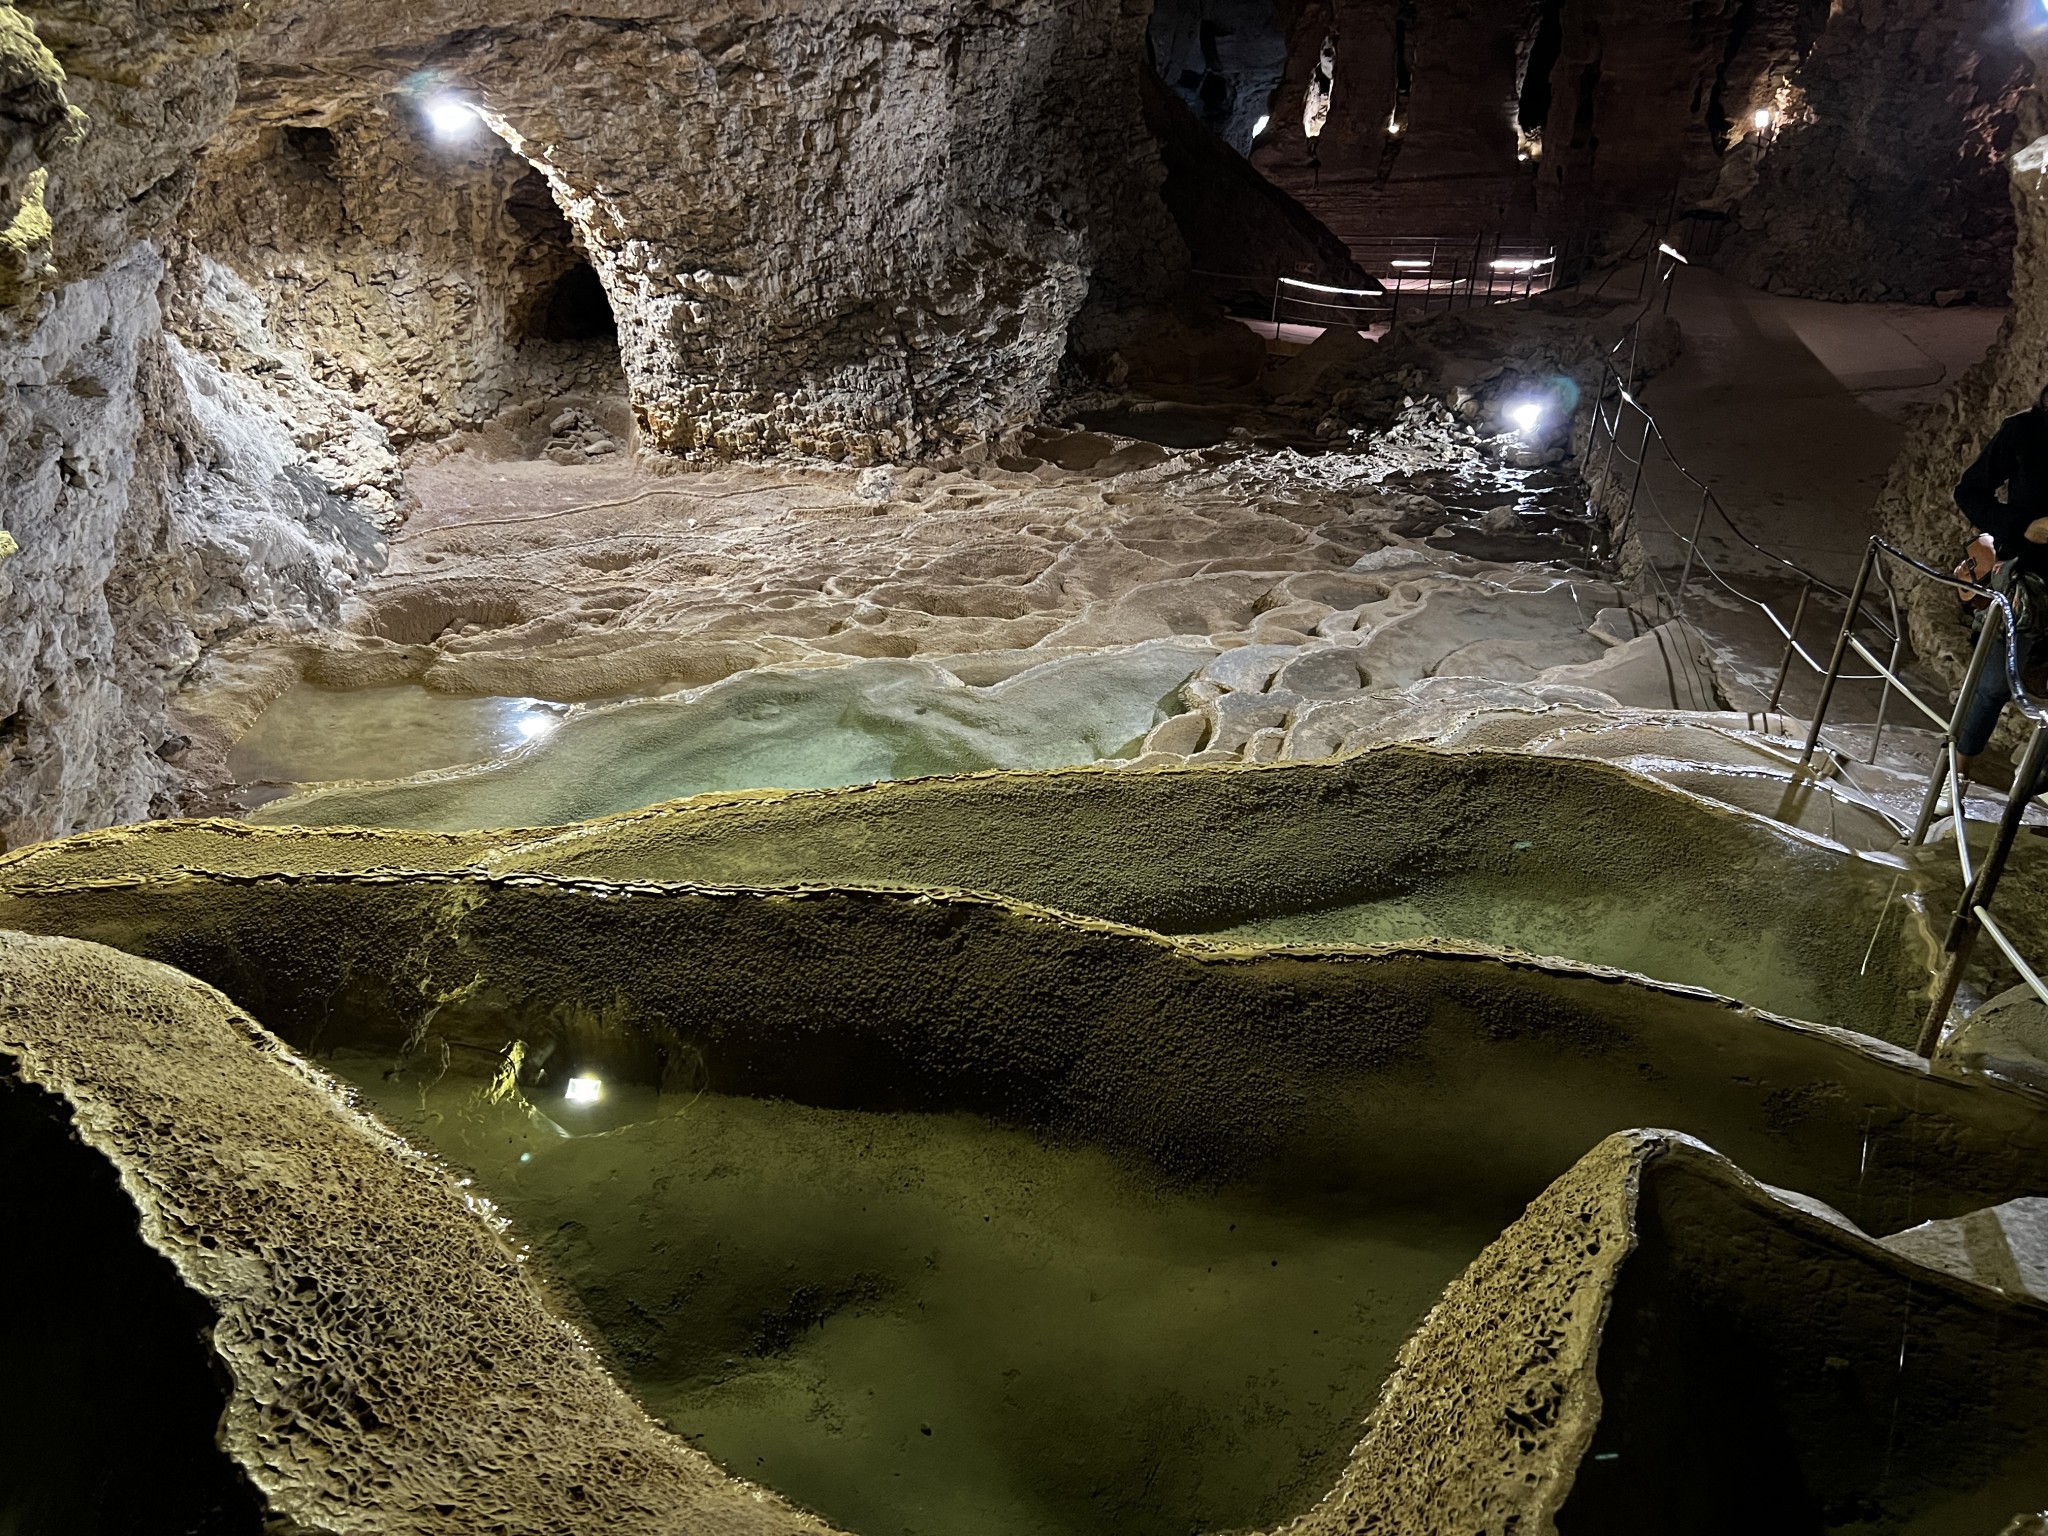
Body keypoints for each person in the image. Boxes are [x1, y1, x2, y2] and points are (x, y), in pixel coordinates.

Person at [1951, 383, 2048, 786]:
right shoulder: (2025, 432)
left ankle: (2036, 791)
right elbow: (1970, 491)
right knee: (1992, 685)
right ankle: (1956, 774)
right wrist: (2022, 527)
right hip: (2029, 578)